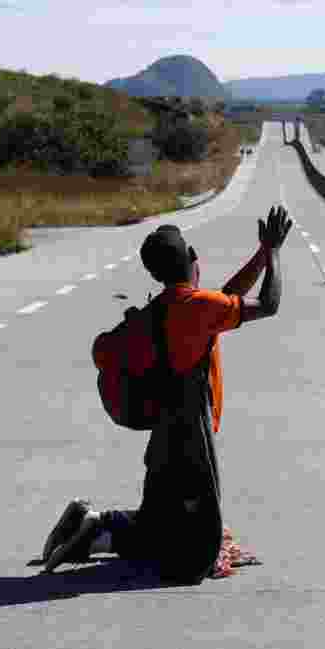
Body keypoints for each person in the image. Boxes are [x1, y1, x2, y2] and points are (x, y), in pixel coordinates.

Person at [40, 205, 293, 581]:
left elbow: (229, 295)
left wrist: (260, 253)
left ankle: (93, 525)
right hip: (190, 443)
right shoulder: (199, 308)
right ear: (193, 259)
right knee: (195, 554)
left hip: (164, 436)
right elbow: (268, 304)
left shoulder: (166, 311)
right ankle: (93, 534)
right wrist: (272, 253)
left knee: (160, 521)